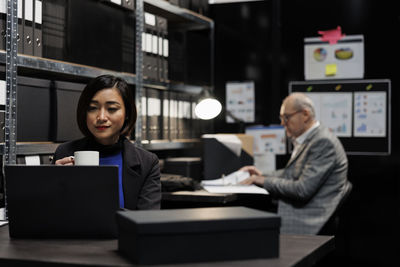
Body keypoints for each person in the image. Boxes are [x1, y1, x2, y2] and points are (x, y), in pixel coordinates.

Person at [240, 92, 349, 234]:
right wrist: (260, 174)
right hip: (298, 210)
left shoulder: (323, 142)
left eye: (286, 117)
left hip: (308, 219)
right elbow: (292, 173)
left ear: (305, 114)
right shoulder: (310, 138)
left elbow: (302, 190)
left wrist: (263, 180)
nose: (282, 123)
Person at [53, 74, 161, 210]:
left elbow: (147, 222)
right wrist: (54, 185)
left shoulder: (147, 163)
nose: (101, 117)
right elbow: (50, 216)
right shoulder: (64, 152)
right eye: (92, 108)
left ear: (127, 113)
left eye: (112, 109)